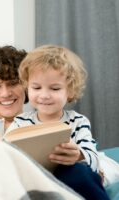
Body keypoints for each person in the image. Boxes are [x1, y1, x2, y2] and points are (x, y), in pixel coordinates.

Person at [14, 44, 109, 200]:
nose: (44, 95)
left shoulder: (77, 121)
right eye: (36, 88)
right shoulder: (20, 122)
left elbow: (94, 159)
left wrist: (78, 155)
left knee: (80, 173)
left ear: (70, 90)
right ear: (27, 88)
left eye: (55, 89)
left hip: (67, 178)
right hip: (33, 180)